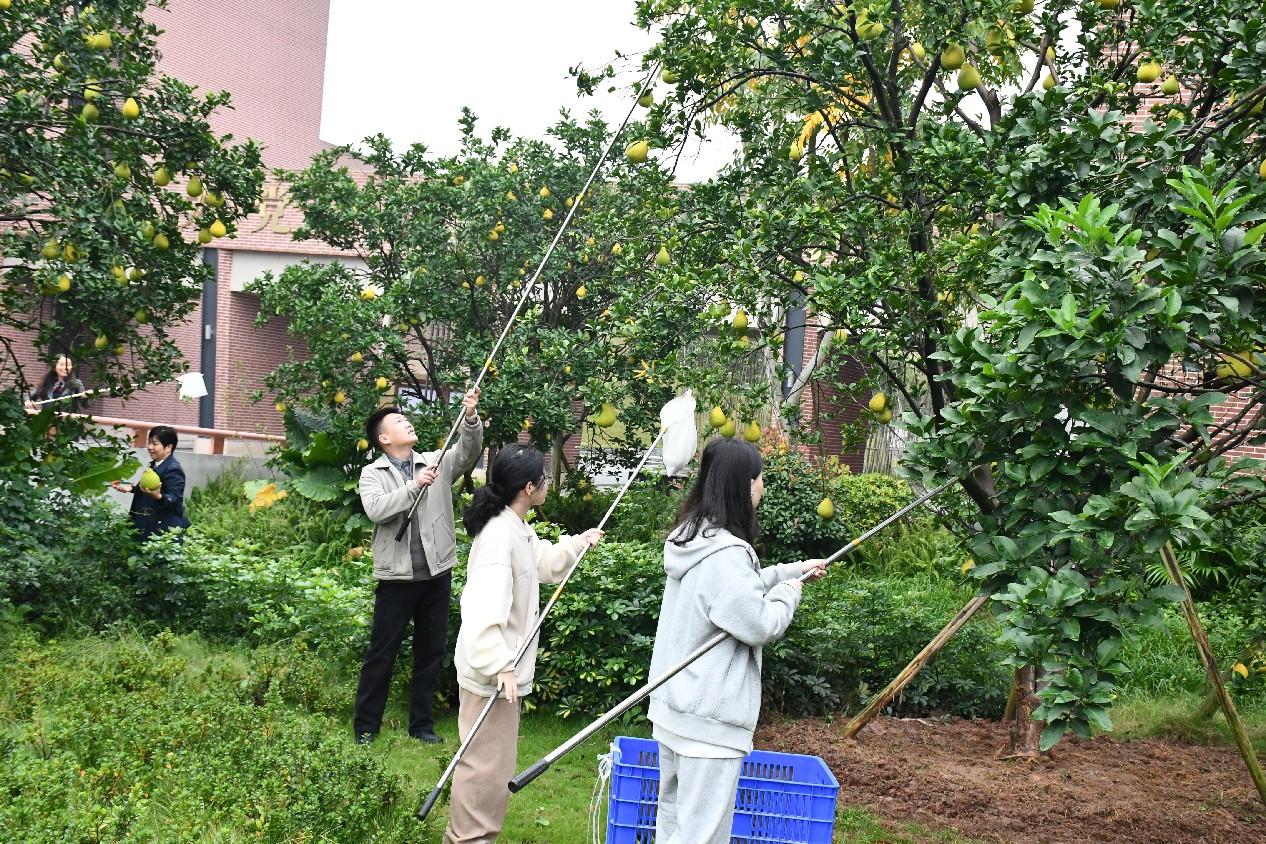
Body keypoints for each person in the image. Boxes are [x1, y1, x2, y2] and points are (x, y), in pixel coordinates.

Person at [647, 438, 825, 844]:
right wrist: (790, 593)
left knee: (674, 828)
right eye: (760, 479)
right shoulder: (726, 556)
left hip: (675, 713)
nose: (762, 488)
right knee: (701, 836)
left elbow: (733, 596)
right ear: (744, 486)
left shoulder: (694, 538)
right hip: (708, 724)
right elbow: (760, 621)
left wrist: (791, 572)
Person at [443, 444, 603, 844]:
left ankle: (472, 836)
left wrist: (578, 543)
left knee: (493, 765)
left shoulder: (516, 526)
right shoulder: (499, 536)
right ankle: (467, 838)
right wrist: (501, 664)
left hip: (499, 674)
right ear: (529, 487)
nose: (547, 484)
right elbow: (482, 609)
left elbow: (544, 564)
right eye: (544, 478)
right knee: (485, 767)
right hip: (491, 676)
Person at [353, 389, 483, 746]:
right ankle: (366, 727)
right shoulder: (372, 474)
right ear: (384, 439)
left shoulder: (435, 462)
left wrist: (470, 417)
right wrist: (413, 486)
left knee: (431, 651)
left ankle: (421, 726)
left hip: (436, 575)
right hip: (397, 579)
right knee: (382, 652)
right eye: (398, 421)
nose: (406, 422)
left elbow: (468, 451)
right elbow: (377, 510)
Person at [112, 425, 191, 541]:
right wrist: (132, 488)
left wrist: (159, 496)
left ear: (168, 447)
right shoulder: (153, 465)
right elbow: (147, 488)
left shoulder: (174, 469)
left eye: (154, 444)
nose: (150, 447)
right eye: (149, 443)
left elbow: (174, 498)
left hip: (161, 533)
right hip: (145, 526)